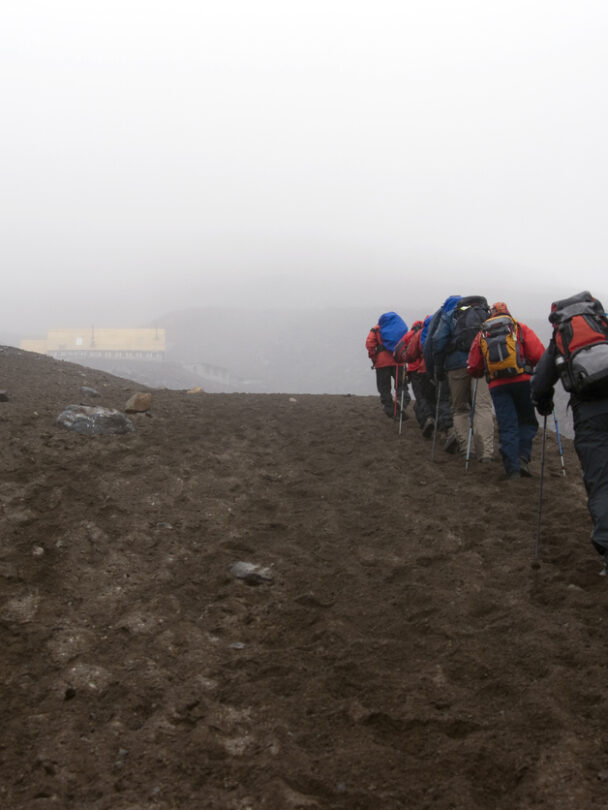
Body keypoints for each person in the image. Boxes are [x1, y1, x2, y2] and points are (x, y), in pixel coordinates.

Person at [531, 290, 608, 570]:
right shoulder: (603, 324)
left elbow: (540, 381)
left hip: (589, 416)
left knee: (601, 481)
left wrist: (542, 403)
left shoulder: (562, 336)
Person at [468, 302, 544, 479]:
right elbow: (538, 355)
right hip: (523, 381)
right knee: (526, 421)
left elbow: (473, 367)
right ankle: (523, 457)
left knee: (507, 425)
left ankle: (512, 469)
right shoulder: (519, 327)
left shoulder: (482, 334)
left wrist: (484, 371)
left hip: (497, 385)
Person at [432, 295, 495, 461]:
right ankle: (486, 453)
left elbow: (438, 341)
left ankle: (468, 449)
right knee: (482, 407)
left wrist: (438, 367)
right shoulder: (486, 314)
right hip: (481, 366)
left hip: (456, 367)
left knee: (460, 409)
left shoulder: (451, 315)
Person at [402, 317, 451, 438]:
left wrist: (405, 359)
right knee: (441, 399)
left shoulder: (419, 334)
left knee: (423, 397)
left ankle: (429, 419)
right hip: (445, 369)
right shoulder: (445, 330)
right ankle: (444, 428)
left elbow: (409, 354)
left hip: (422, 370)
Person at [365, 312, 410, 418]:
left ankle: (391, 409)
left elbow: (370, 344)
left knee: (384, 388)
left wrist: (374, 358)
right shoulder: (400, 328)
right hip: (398, 361)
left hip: (382, 363)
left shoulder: (377, 329)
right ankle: (400, 402)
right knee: (401, 385)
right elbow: (407, 342)